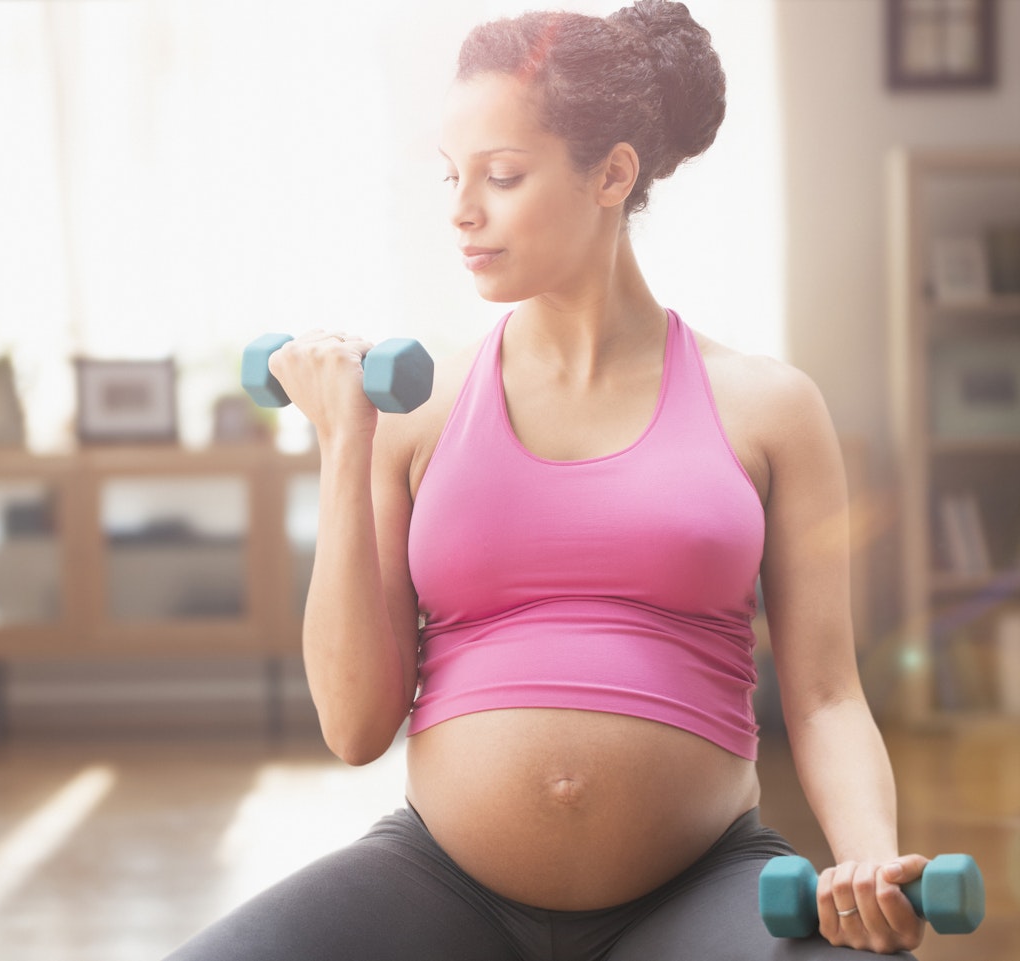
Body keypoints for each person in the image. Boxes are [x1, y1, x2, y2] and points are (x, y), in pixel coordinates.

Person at [165, 2, 925, 958]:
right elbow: (356, 726)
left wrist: (866, 857)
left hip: (700, 881)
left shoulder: (770, 407)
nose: (460, 209)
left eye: (503, 175)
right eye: (452, 175)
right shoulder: (415, 409)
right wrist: (342, 445)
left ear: (612, 172)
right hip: (440, 877)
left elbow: (825, 696)